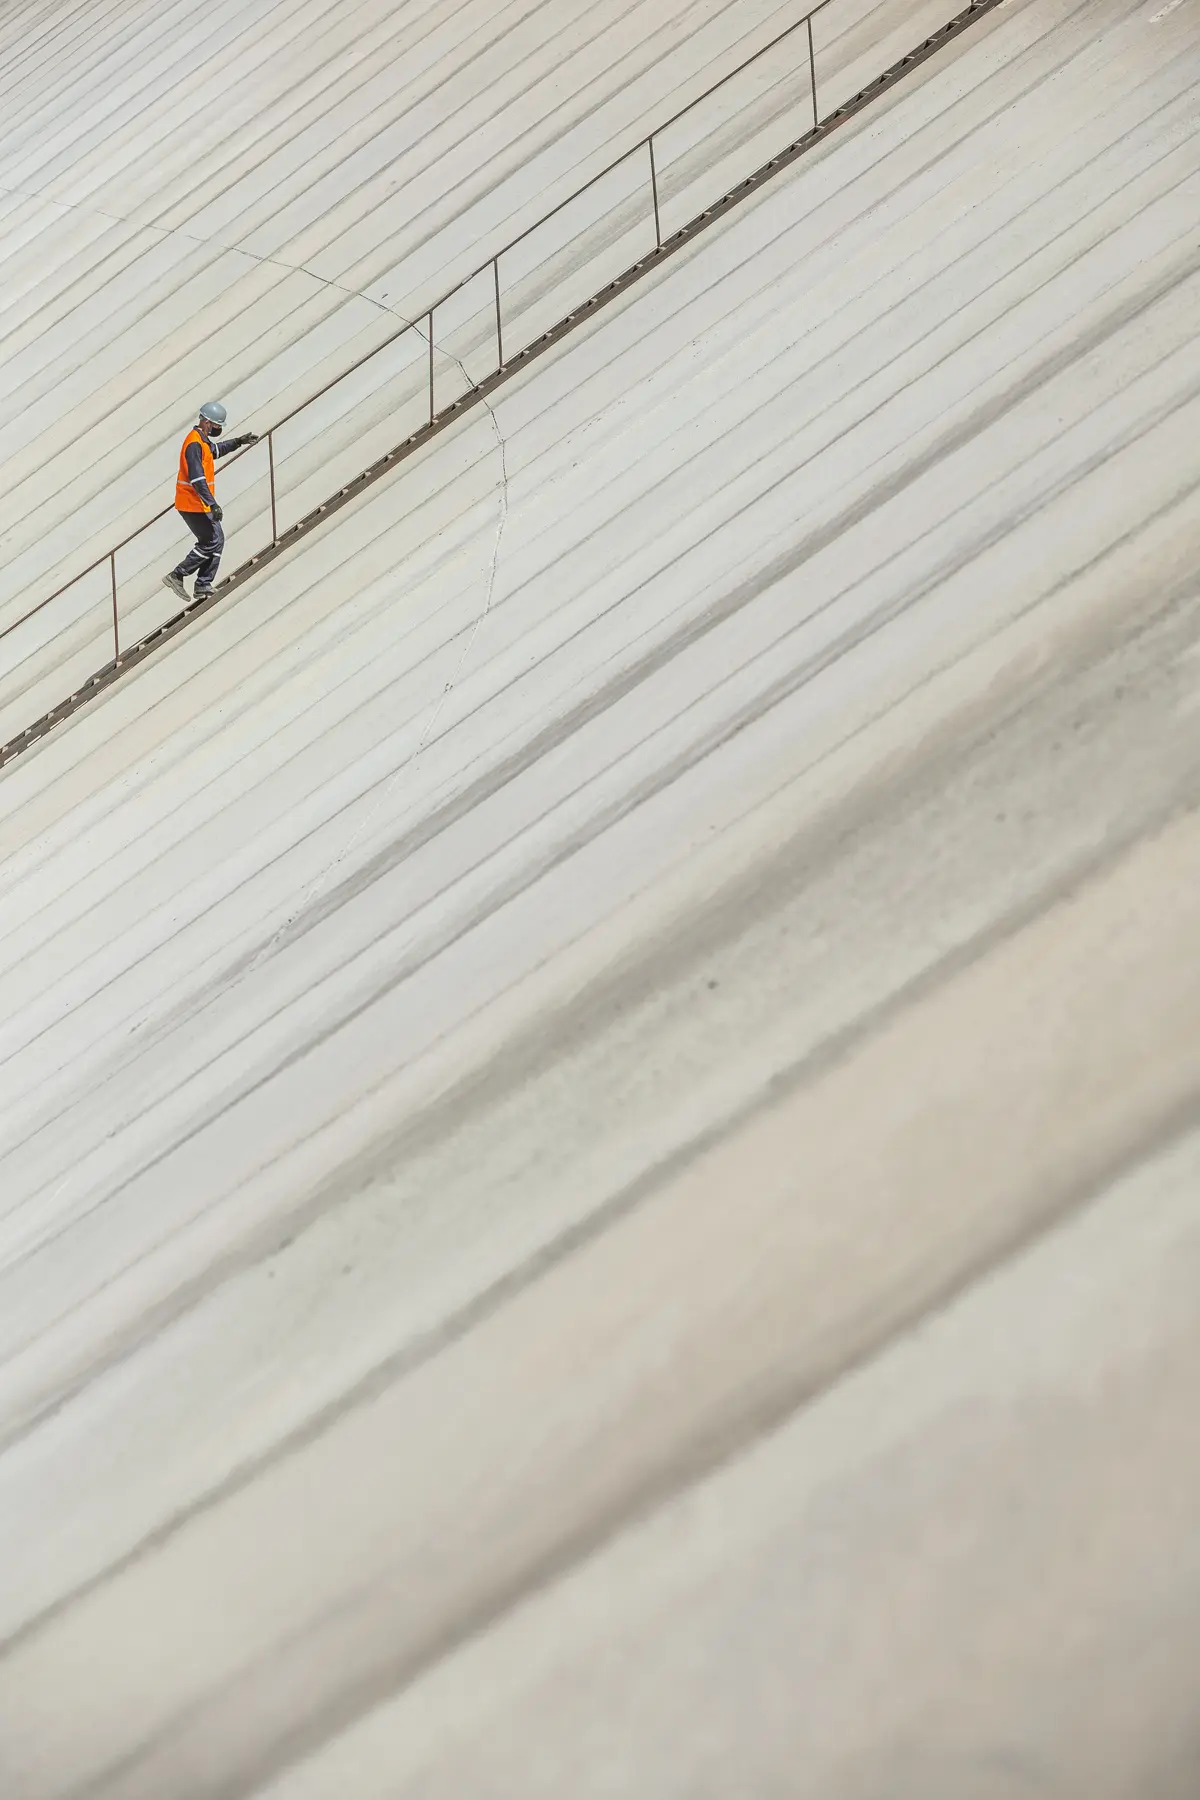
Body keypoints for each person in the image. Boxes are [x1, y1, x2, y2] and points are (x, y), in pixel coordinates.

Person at [162, 401, 259, 601]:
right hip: (191, 503)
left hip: (198, 503)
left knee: (217, 540)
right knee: (211, 541)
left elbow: (216, 450)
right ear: (206, 422)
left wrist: (238, 441)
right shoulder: (194, 444)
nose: (217, 429)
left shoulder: (202, 441)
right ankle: (177, 575)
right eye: (216, 426)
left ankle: (203, 584)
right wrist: (212, 503)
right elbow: (197, 479)